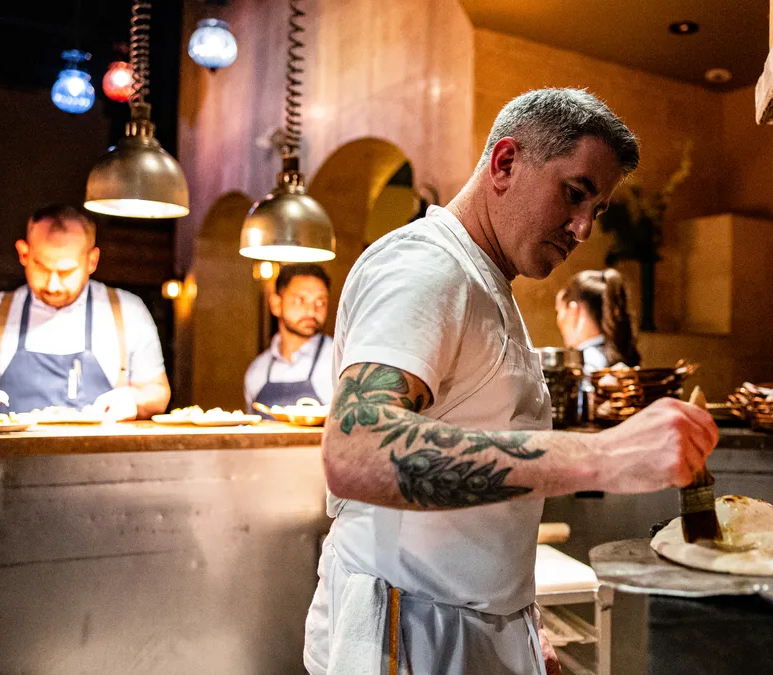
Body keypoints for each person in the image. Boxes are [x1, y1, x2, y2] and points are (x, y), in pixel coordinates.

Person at [305, 89, 717, 675]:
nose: (581, 229)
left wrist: (518, 619)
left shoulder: (483, 280)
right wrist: (603, 455)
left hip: (471, 624)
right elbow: (356, 452)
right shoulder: (427, 268)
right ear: (504, 163)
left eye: (595, 211)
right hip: (409, 631)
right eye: (574, 194)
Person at [0, 205, 170, 421]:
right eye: (42, 267)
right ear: (23, 254)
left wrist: (134, 400)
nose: (53, 284)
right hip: (9, 465)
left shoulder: (128, 311)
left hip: (102, 465)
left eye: (66, 271)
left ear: (92, 261)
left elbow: (158, 393)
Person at [244, 263, 335, 415]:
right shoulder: (256, 370)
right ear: (276, 304)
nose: (312, 310)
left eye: (321, 301)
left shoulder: (339, 362)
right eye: (300, 300)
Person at [555, 268, 641, 372]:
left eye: (559, 311)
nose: (558, 321)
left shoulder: (586, 364)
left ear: (574, 311)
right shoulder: (618, 357)